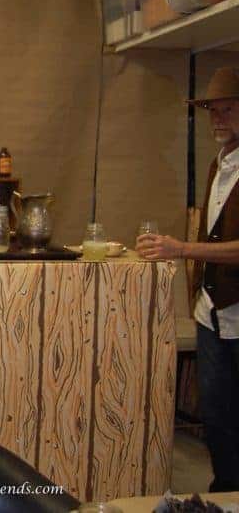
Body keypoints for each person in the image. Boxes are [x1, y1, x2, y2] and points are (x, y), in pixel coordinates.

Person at [136, 66, 239, 492]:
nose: (218, 118)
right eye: (213, 110)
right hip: (212, 314)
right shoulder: (221, 164)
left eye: (228, 109)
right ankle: (226, 490)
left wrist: (182, 250)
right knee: (217, 414)